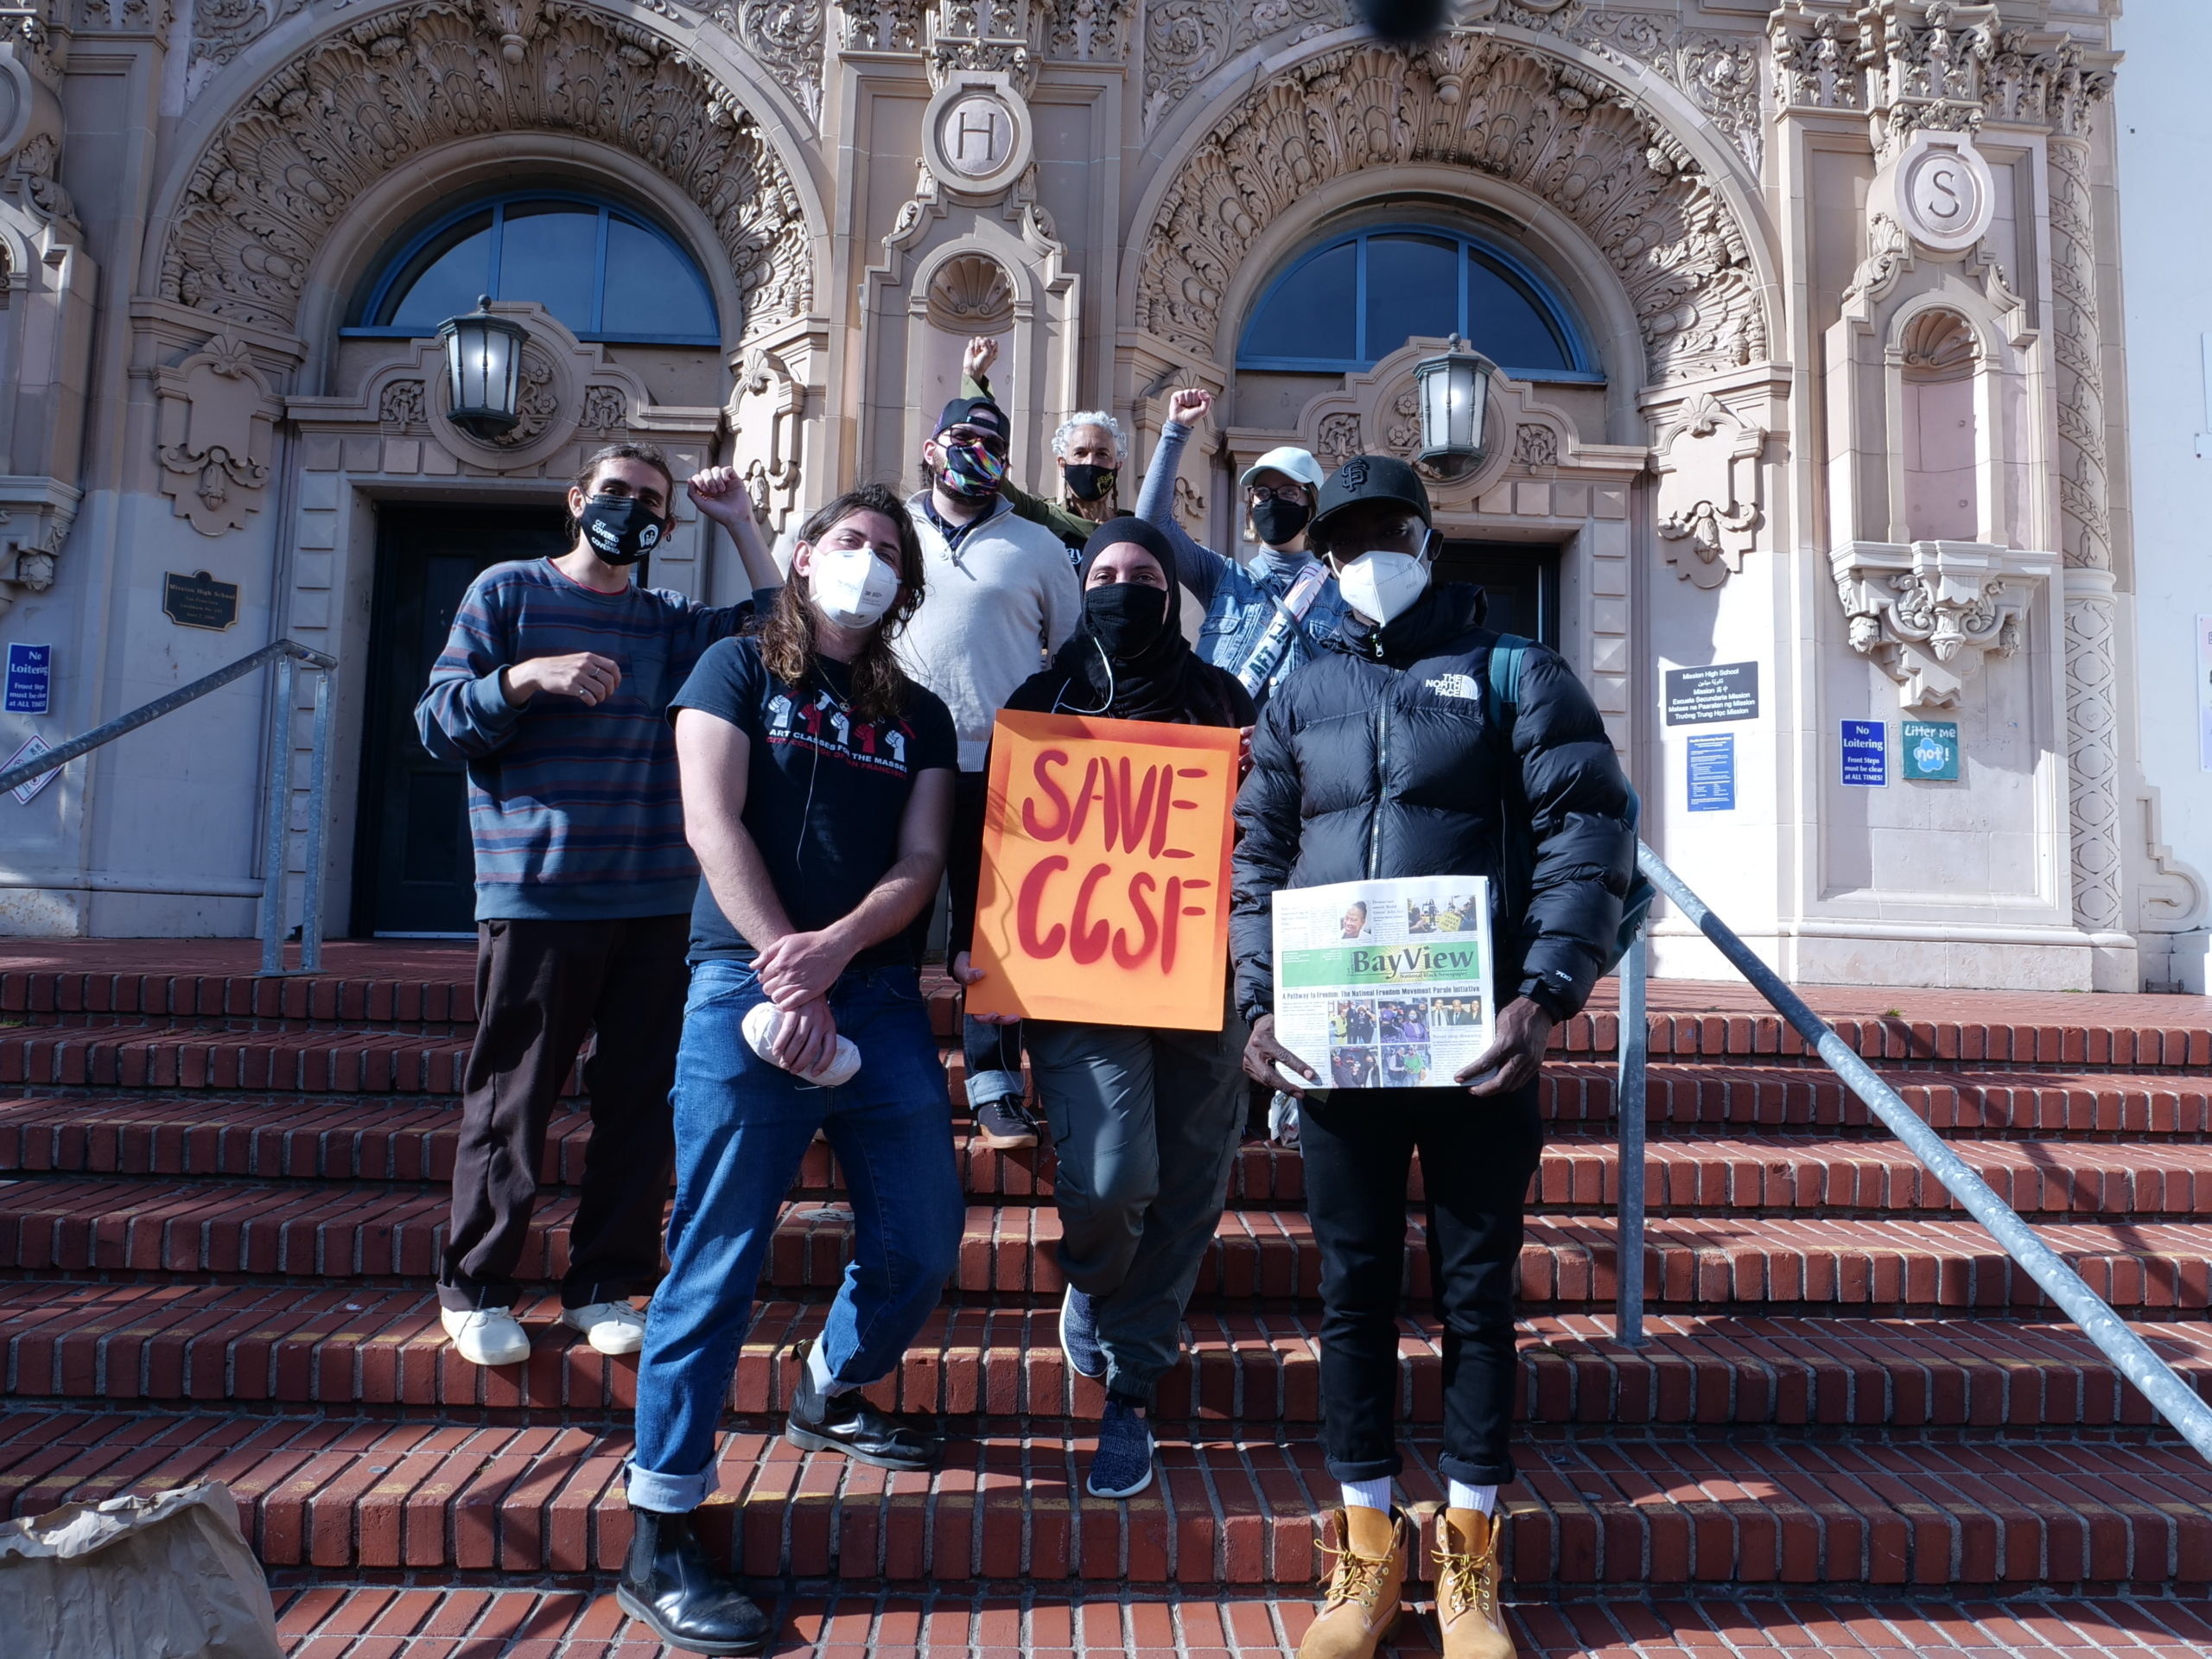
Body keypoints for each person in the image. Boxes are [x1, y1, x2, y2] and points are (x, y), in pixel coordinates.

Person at [1230, 454, 1635, 1659]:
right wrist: (1256, 1001)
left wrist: (1547, 992)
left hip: (1475, 1050)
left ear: (1428, 538)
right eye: (1344, 540)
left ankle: (1470, 1555)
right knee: (1351, 1297)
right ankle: (1362, 1547)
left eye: (1387, 532)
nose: (1367, 556)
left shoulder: (1515, 671)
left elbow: (1589, 828)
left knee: (1475, 1301)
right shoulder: (1298, 693)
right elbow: (1255, 857)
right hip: (1340, 1052)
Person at [619, 484, 961, 1656]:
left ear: (903, 585)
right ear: (804, 556)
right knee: (714, 1260)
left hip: (871, 990)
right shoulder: (731, 669)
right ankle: (661, 1530)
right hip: (742, 988)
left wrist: (835, 957)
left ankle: (830, 1381)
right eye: (848, 542)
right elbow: (711, 821)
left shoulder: (919, 714)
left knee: (921, 1236)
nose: (865, 564)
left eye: (887, 553)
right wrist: (785, 965)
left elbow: (921, 864)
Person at [416, 442, 784, 1370]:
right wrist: (525, 678)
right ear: (578, 500)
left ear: (665, 524)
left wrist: (740, 522)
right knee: (514, 1097)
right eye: (615, 493)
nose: (630, 510)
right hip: (536, 896)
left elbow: (786, 632)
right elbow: (436, 720)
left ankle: (600, 1284)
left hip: (657, 900)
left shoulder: (670, 622)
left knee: (637, 1103)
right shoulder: (507, 592)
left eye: (650, 502)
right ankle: (479, 1286)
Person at [948, 516, 1255, 1503]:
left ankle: (1131, 1383)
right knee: (1116, 1171)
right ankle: (1093, 1279)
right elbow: (993, 856)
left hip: (1201, 979)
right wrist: (986, 1010)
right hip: (1080, 982)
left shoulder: (1222, 699)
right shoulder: (1042, 701)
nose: (1126, 587)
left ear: (1173, 591)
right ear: (1084, 587)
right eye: (1108, 572)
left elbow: (1268, 834)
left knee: (1191, 1177)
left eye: (1145, 574)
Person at [897, 391, 1082, 1150]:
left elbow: (1074, 653)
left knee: (993, 936)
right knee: (892, 923)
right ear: (932, 445)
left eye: (991, 440)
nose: (975, 449)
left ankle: (995, 1084)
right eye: (962, 436)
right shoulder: (889, 532)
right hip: (896, 759)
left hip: (1001, 769)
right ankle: (884, 1068)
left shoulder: (1038, 545)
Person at [1133, 386, 1351, 708]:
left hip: (1295, 755)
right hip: (1219, 749)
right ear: (1250, 506)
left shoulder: (1341, 599)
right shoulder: (1223, 578)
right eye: (1262, 493)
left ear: (1312, 504)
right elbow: (1151, 525)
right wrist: (1176, 430)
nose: (1272, 501)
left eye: (1289, 492)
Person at [961, 335, 1127, 554]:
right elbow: (986, 471)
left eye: (1102, 454)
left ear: (1118, 465)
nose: (1091, 462)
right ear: (1062, 463)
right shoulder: (1040, 517)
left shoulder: (1132, 529)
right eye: (1080, 453)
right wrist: (974, 379)